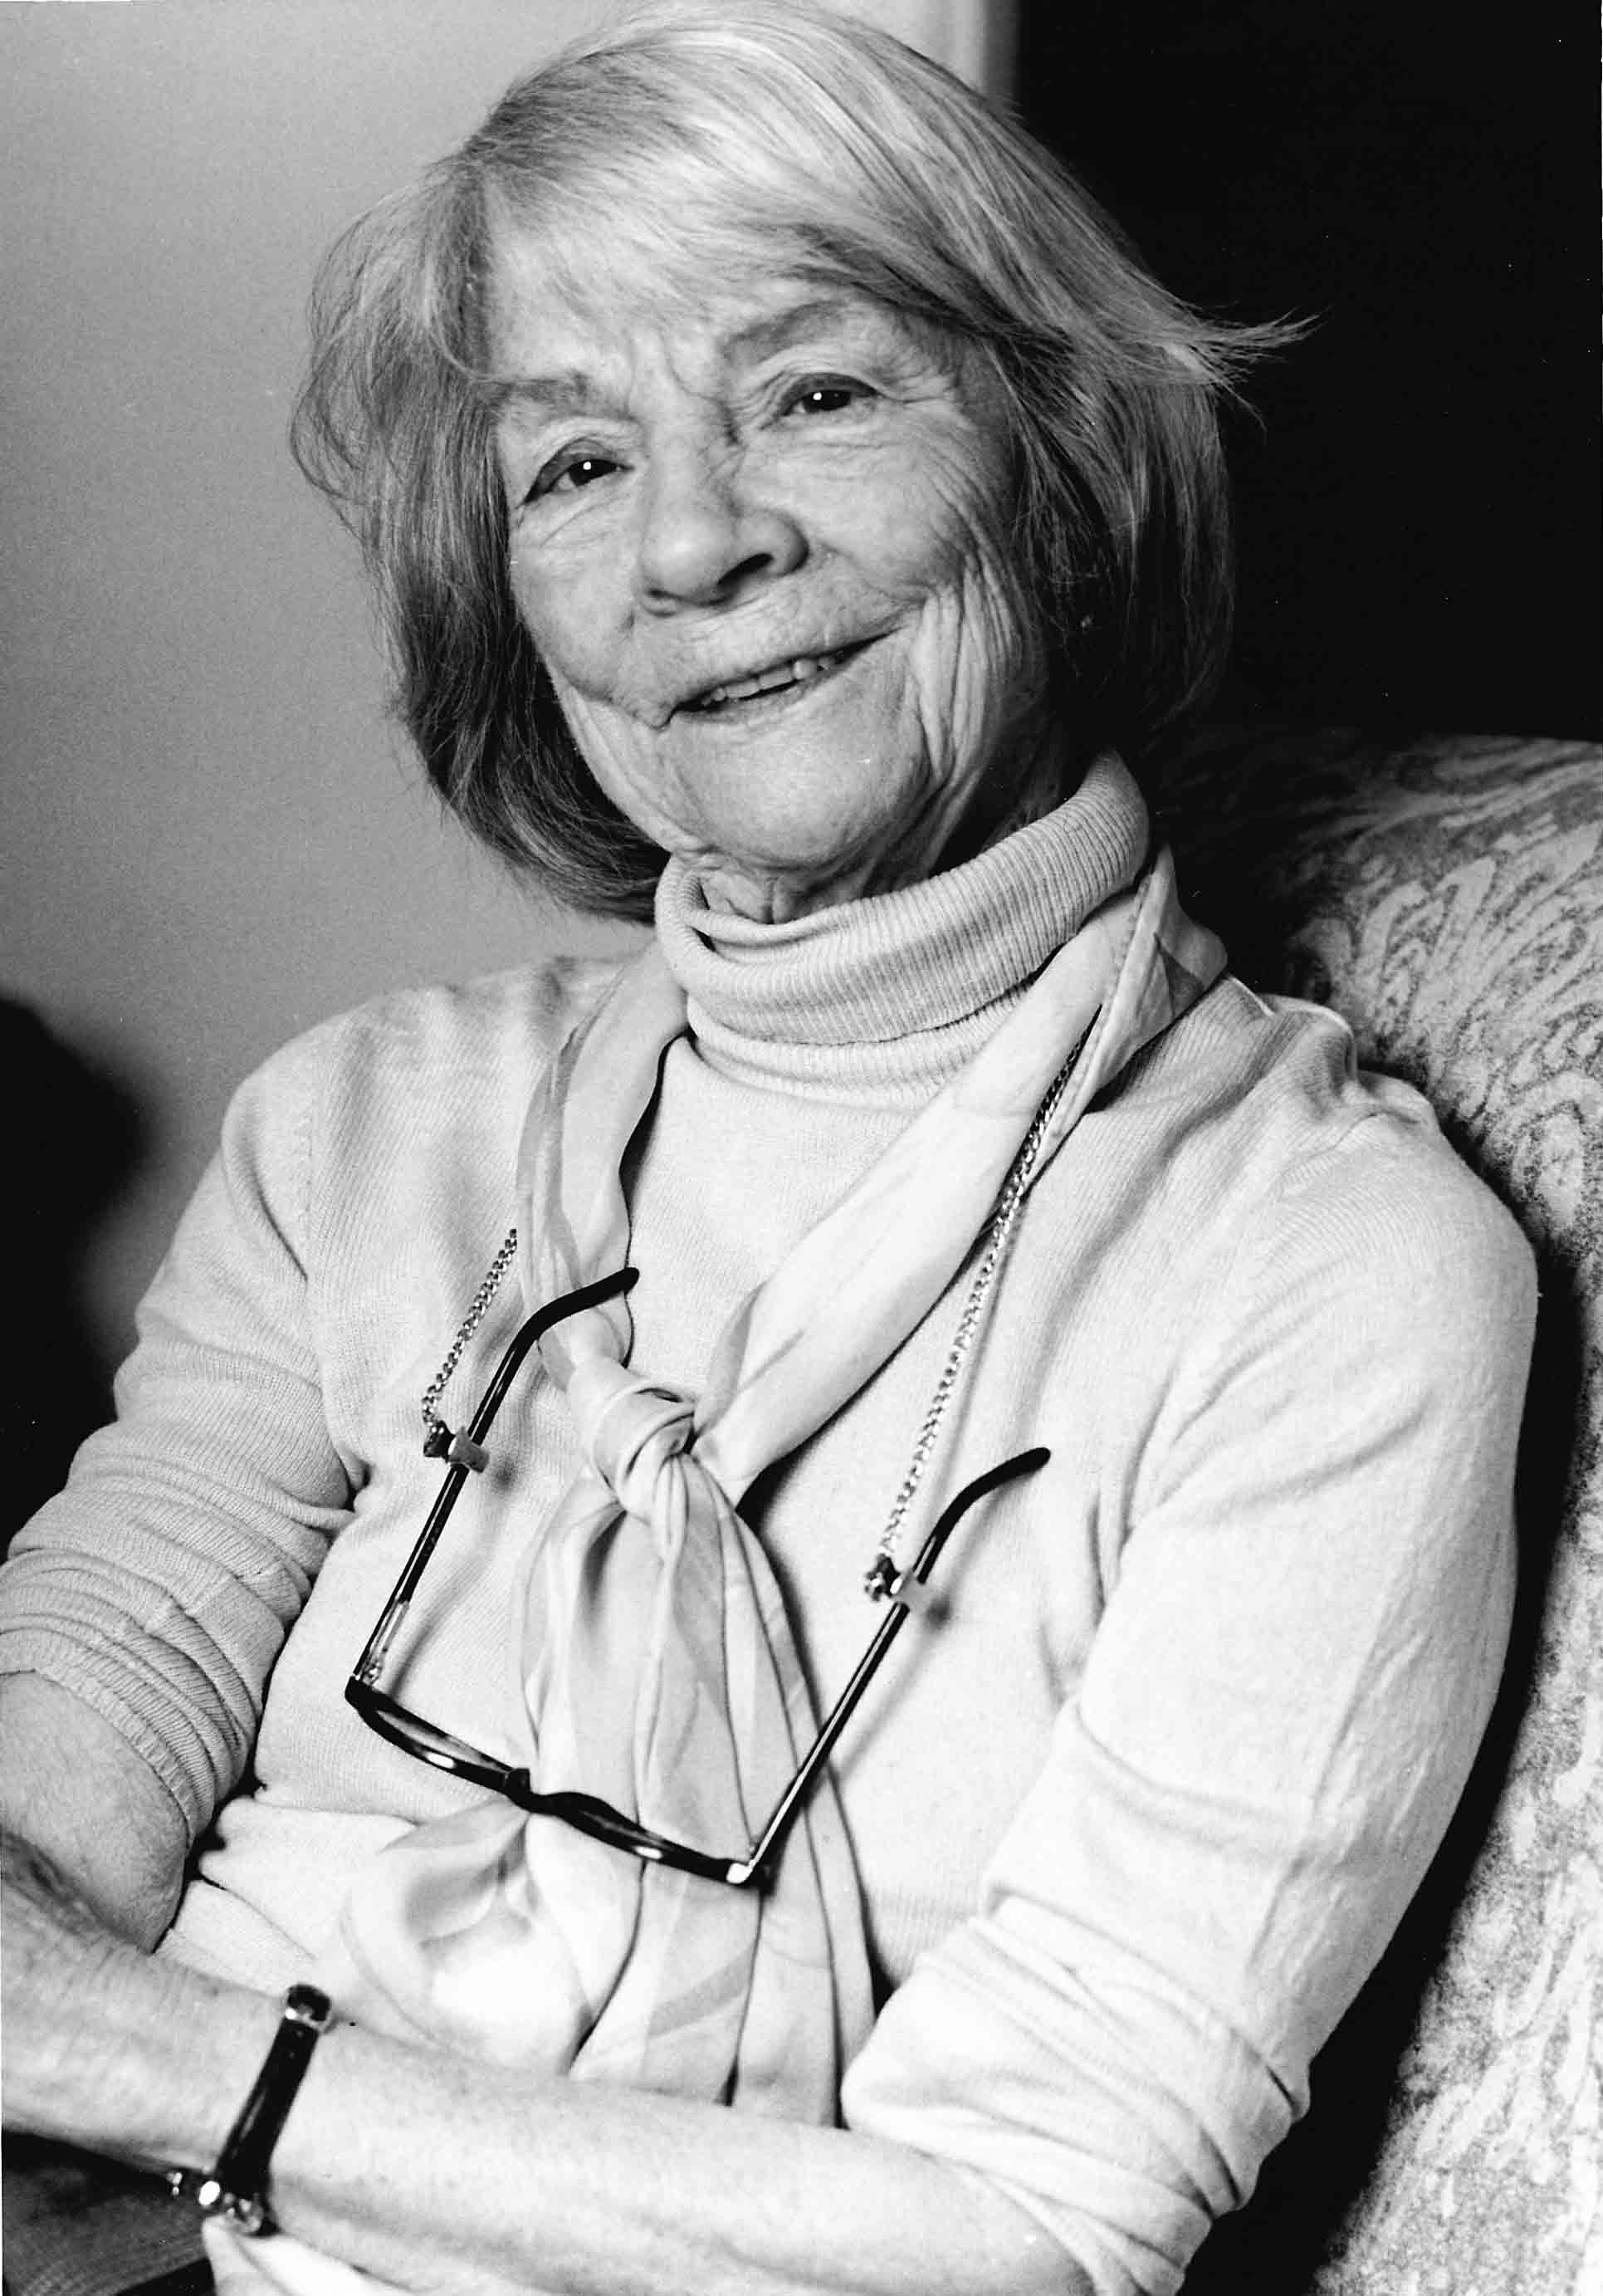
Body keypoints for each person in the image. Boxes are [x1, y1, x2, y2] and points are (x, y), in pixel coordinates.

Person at [0, 6, 1536, 2294]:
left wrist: (154, 2066)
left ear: (1057, 469)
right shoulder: (362, 1127)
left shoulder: (1327, 1267)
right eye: (572, 463)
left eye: (815, 393)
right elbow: (84, 1718)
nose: (695, 542)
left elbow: (1027, 2243)